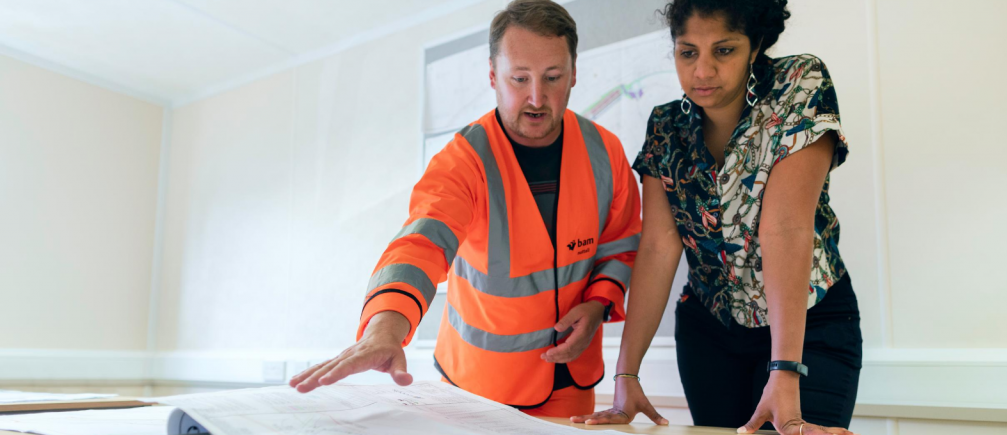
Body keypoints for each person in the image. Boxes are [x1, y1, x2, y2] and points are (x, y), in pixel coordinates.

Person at [288, 0, 642, 418]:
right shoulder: (462, 160)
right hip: (478, 391)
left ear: (574, 74)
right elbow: (420, 244)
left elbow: (620, 246)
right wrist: (384, 329)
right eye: (519, 78)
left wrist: (599, 304)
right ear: (492, 75)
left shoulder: (606, 152)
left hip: (572, 382)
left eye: (552, 77)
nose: (536, 97)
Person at [571, 1, 863, 434]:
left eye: (723, 51)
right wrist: (626, 375)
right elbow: (657, 247)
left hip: (808, 325)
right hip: (709, 332)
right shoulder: (666, 127)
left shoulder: (799, 83)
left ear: (755, 45)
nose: (702, 71)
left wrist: (783, 370)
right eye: (687, 52)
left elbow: (784, 227)